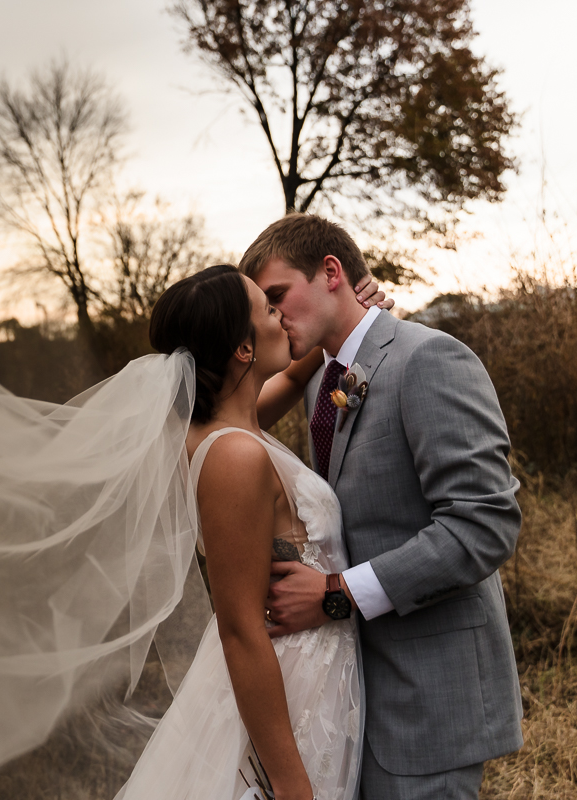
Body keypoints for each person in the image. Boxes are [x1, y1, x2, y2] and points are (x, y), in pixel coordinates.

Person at [245, 214, 524, 800]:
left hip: (430, 695)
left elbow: (483, 525)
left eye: (277, 297)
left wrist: (335, 595)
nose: (275, 317)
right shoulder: (323, 380)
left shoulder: (428, 359)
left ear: (331, 272)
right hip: (359, 690)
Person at [114, 265, 390, 800]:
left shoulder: (221, 429)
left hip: (307, 671)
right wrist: (290, 783)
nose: (281, 315)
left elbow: (289, 378)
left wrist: (345, 317)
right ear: (243, 350)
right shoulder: (235, 457)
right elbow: (239, 628)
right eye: (268, 308)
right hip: (288, 689)